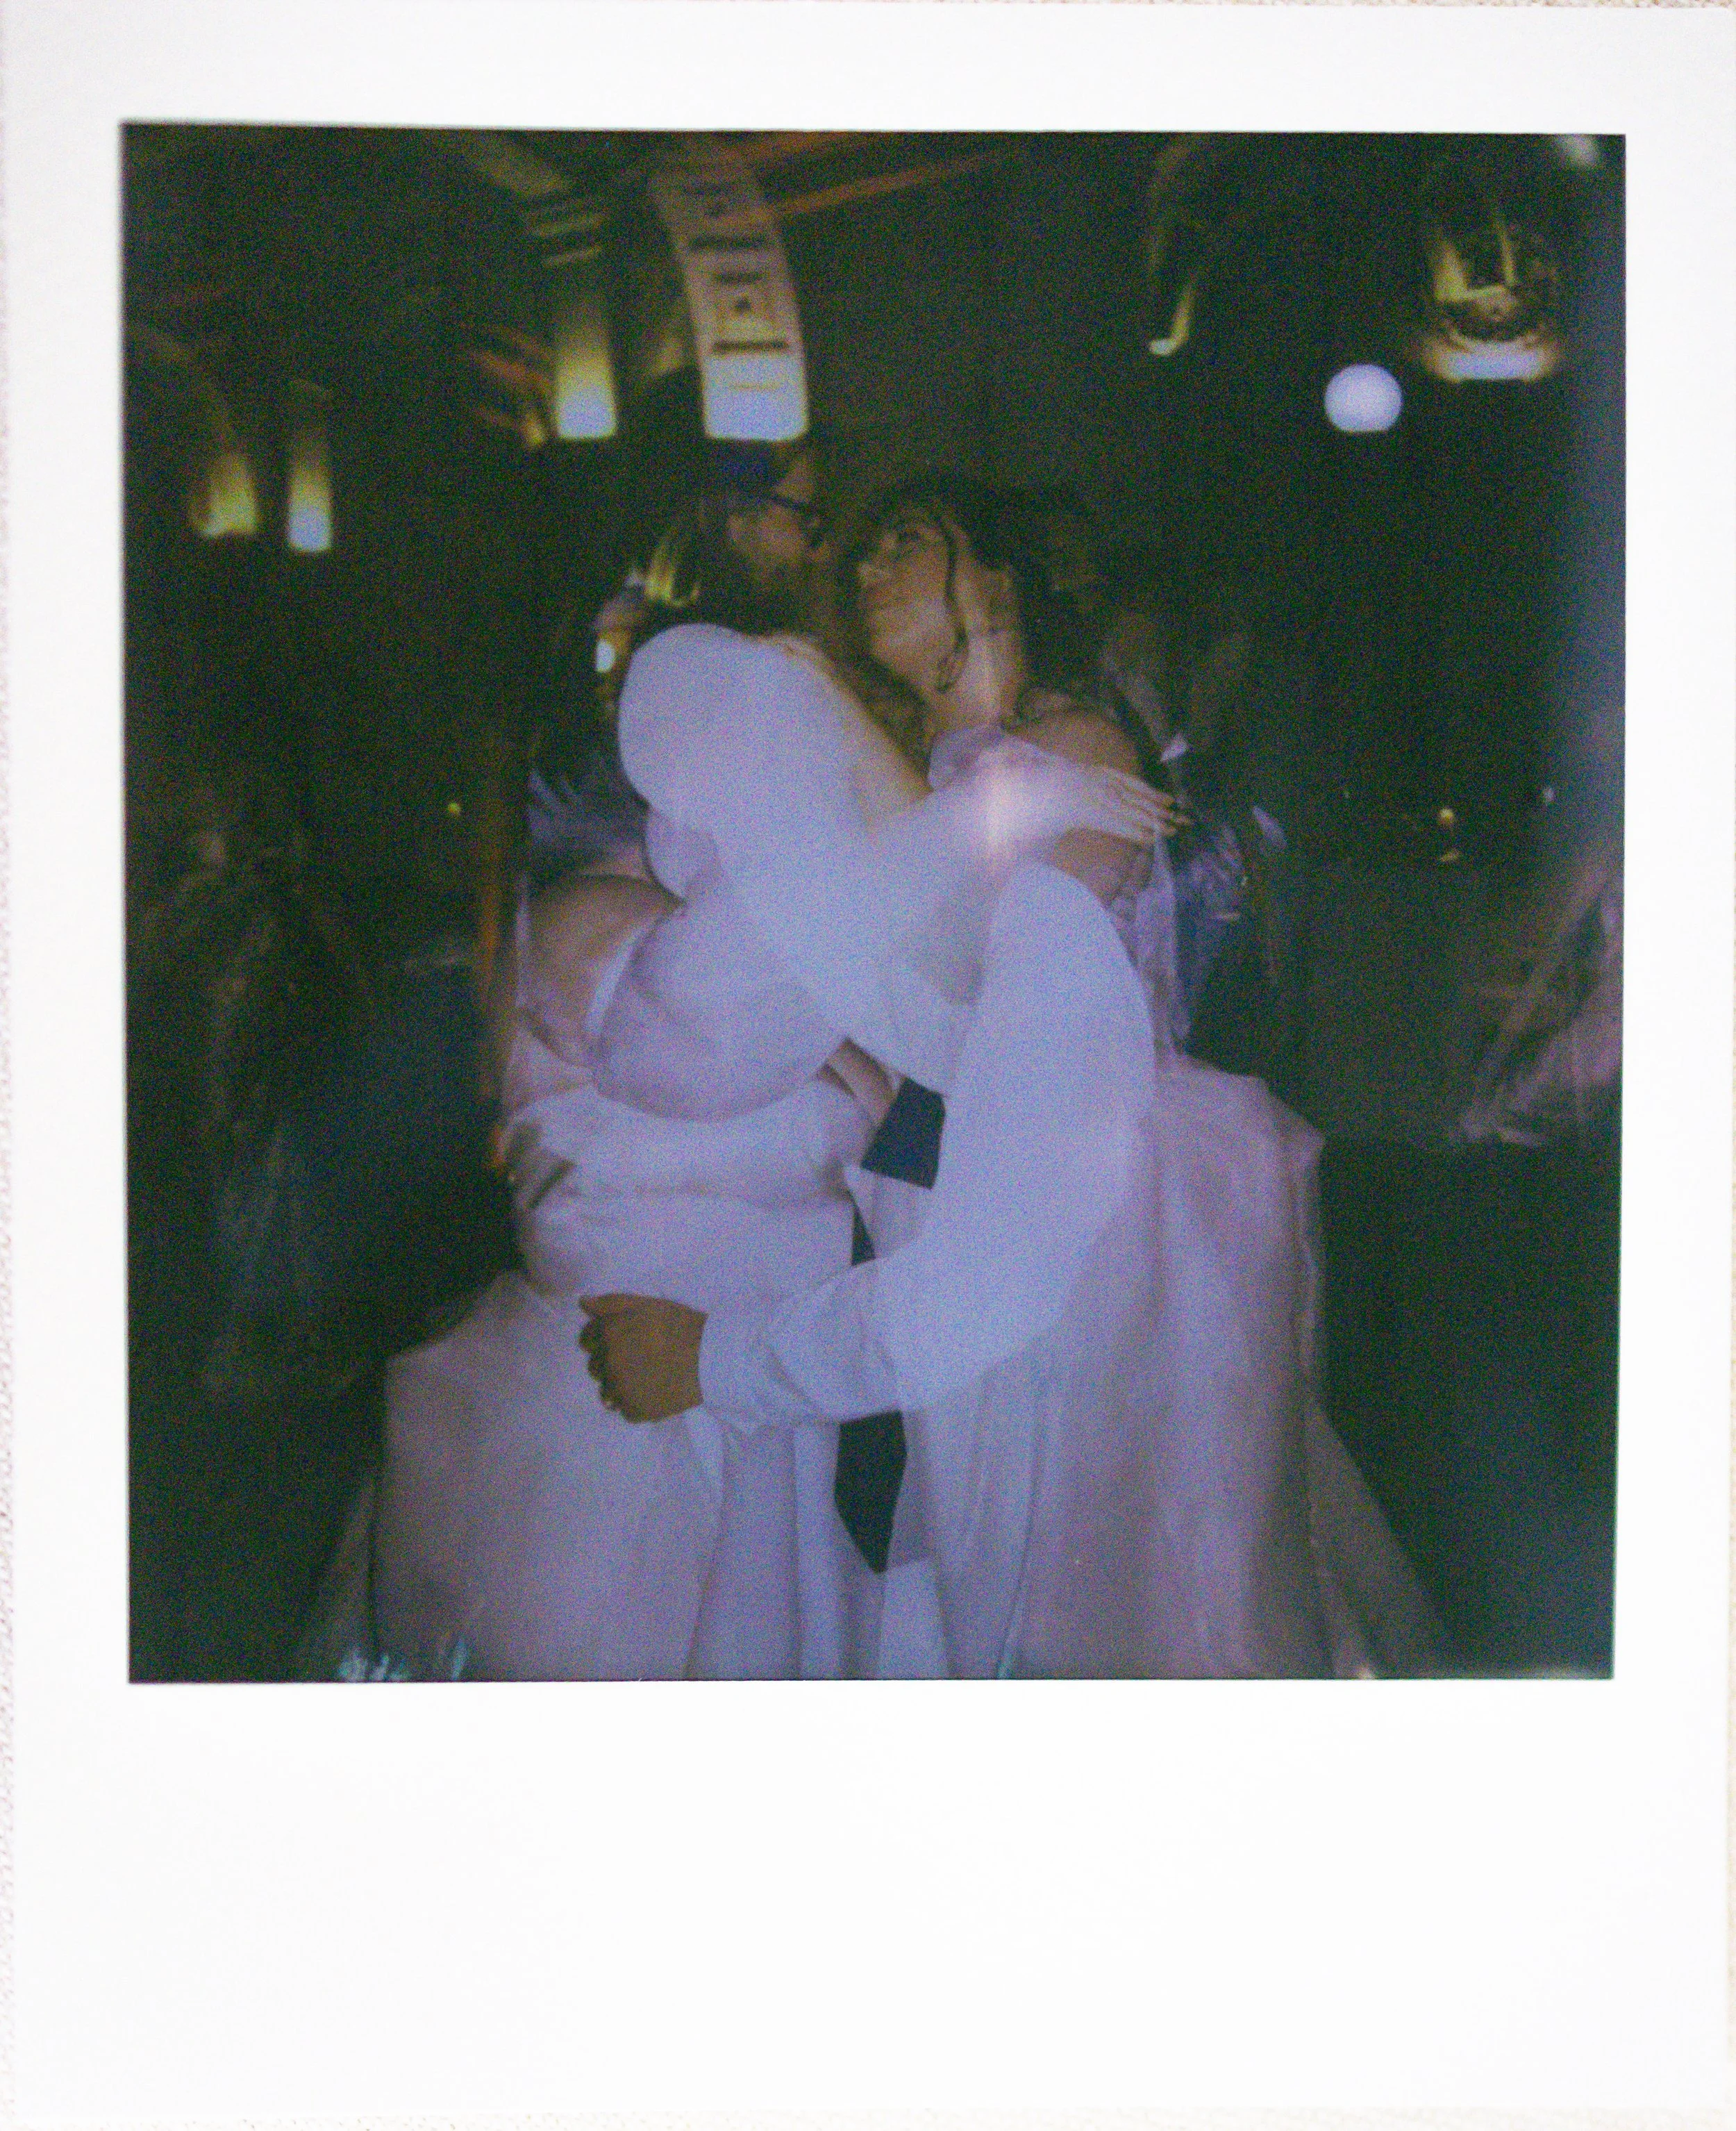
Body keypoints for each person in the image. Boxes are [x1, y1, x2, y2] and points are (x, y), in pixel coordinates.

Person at [306, 418, 1160, 1680]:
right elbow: (733, 1011)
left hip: (811, 1366)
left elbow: (943, 1004)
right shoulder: (667, 781)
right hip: (664, 1394)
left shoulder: (1014, 807)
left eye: (880, 538)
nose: (838, 556)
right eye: (805, 519)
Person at [584, 475, 1442, 1679]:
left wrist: (711, 1360)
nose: (867, 568)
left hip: (1078, 1344)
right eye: (862, 556)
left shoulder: (1068, 755)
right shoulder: (956, 777)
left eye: (906, 542)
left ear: (997, 578)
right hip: (976, 1337)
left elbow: (997, 1236)